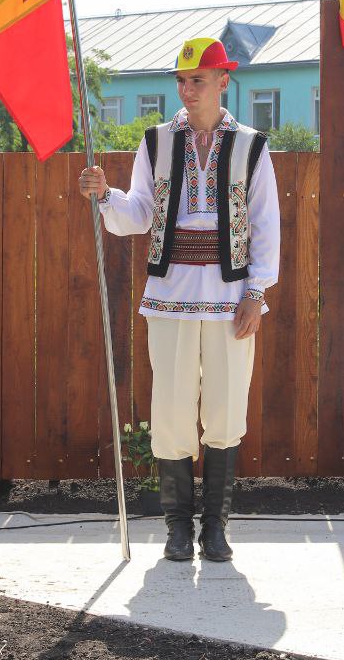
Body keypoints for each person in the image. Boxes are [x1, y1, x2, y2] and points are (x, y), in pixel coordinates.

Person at [79, 36, 280, 562]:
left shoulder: (252, 146)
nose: (188, 90)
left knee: (226, 407)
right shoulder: (156, 142)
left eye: (198, 80)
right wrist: (106, 196)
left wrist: (256, 292)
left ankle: (215, 528)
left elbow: (265, 224)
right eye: (181, 81)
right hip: (170, 295)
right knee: (169, 409)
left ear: (223, 81)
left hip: (231, 295)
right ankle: (176, 528)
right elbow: (139, 213)